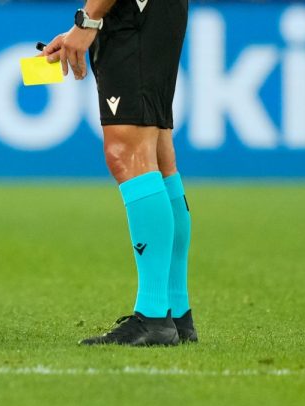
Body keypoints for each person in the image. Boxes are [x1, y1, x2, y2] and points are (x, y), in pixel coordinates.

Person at [42, 0, 196, 345]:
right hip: (146, 12)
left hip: (135, 13)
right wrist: (87, 23)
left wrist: (89, 20)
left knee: (126, 151)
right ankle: (175, 311)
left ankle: (155, 316)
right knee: (156, 150)